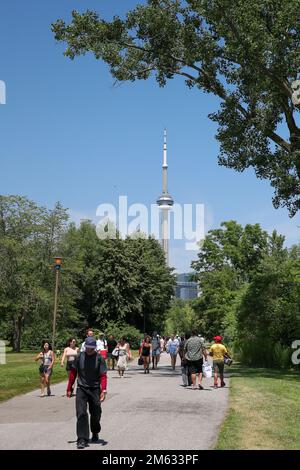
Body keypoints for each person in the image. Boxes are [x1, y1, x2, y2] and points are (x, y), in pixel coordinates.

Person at [67, 336, 107, 449]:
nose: (89, 350)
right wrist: (69, 388)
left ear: (95, 347)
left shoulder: (99, 358)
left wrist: (103, 390)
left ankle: (95, 431)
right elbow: (73, 373)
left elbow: (103, 376)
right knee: (81, 413)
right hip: (82, 388)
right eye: (88, 347)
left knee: (96, 413)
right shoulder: (79, 357)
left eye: (92, 348)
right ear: (85, 346)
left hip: (95, 389)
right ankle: (82, 438)